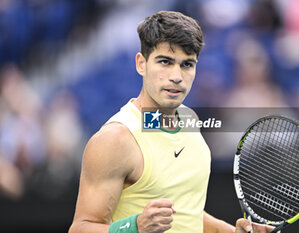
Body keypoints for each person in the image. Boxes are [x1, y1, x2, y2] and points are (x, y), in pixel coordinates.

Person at [69, 11, 276, 233]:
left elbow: (186, 213)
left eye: (187, 65)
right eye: (165, 62)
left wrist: (233, 232)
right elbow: (82, 228)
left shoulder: (190, 120)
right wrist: (134, 228)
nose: (177, 76)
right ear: (141, 63)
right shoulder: (115, 140)